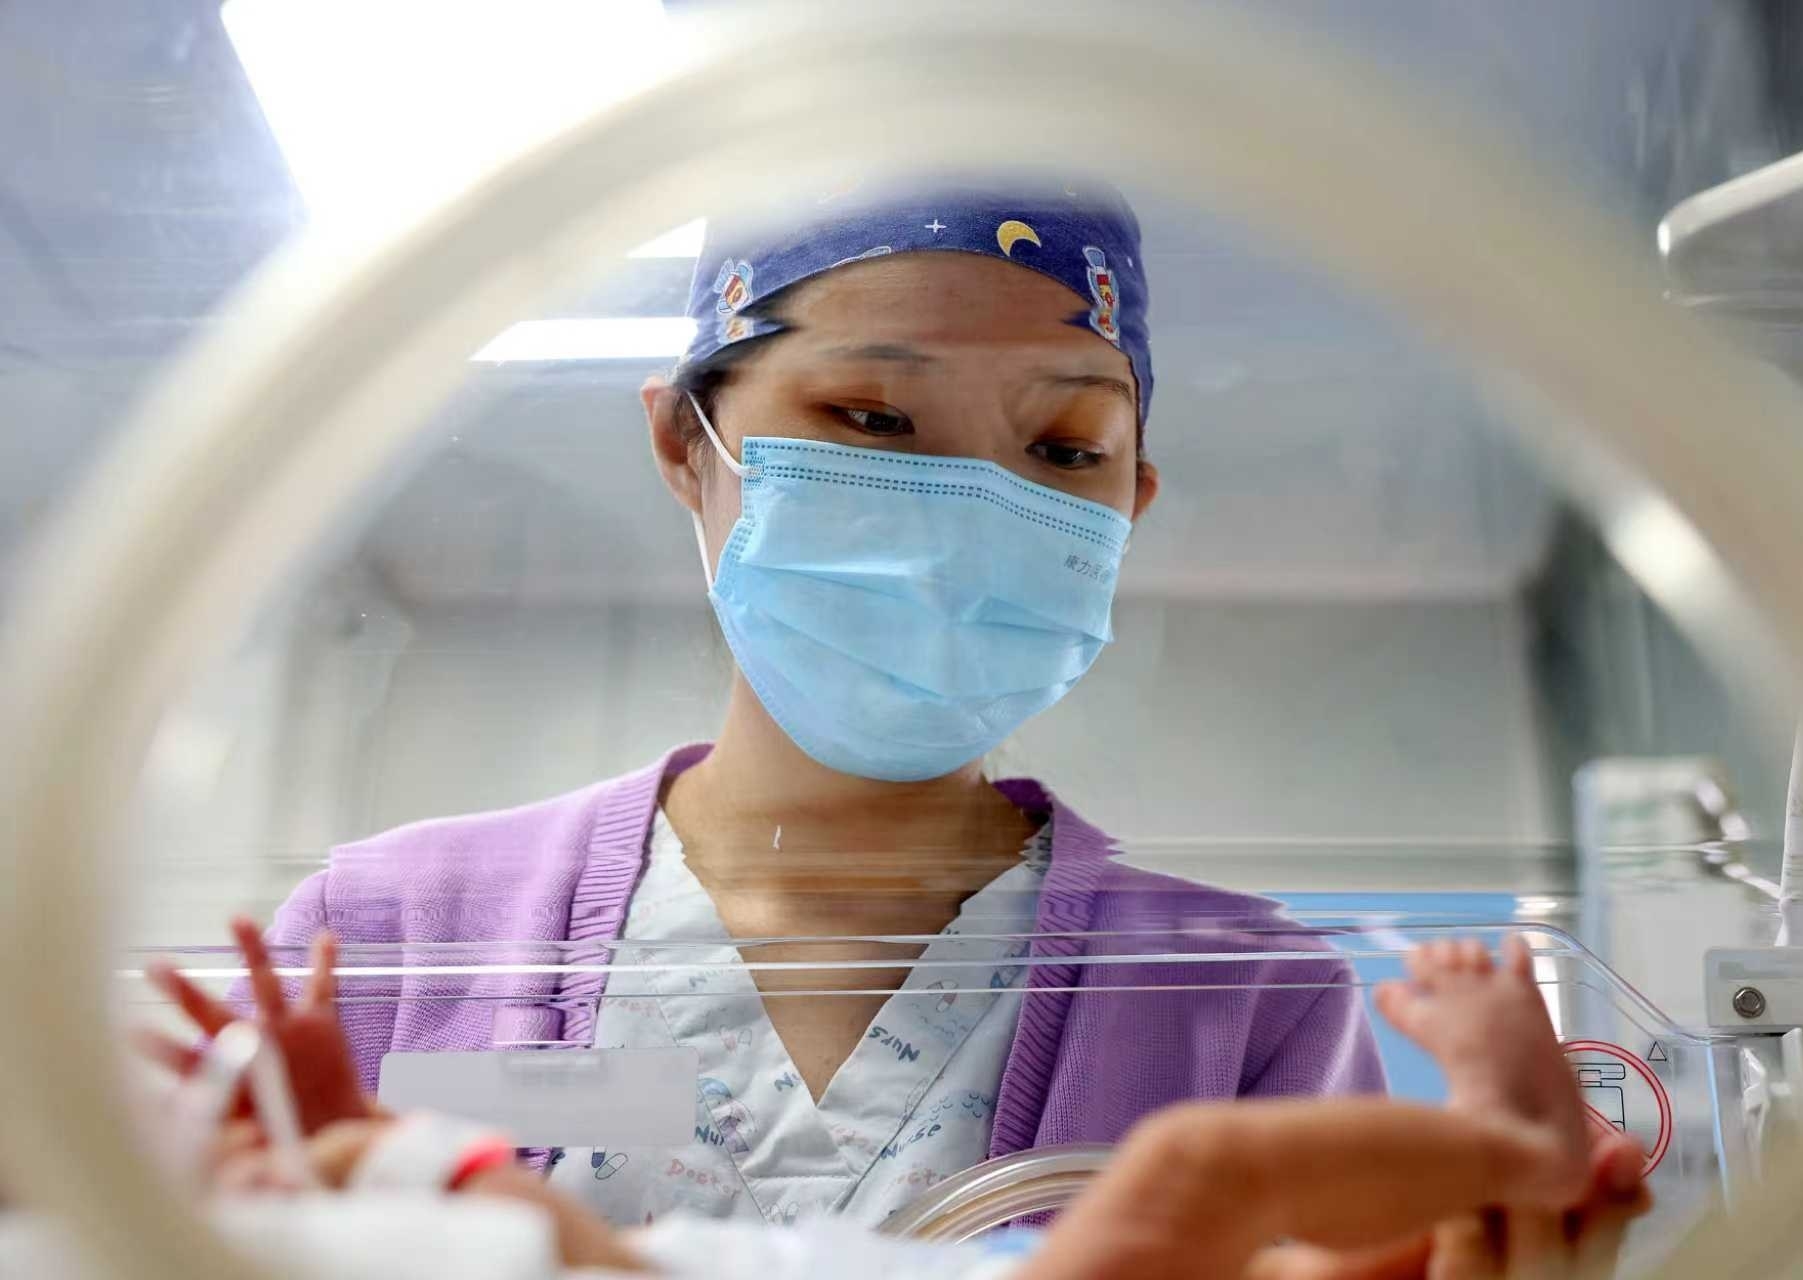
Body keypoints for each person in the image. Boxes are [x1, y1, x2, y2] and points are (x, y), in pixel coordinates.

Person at [246, 175, 1384, 1227]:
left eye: (1064, 445)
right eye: (873, 417)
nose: (968, 514)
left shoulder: (1245, 999)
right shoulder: (390, 939)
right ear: (682, 443)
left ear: (1129, 502)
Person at [158, 924, 1647, 1279]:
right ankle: (1513, 1144)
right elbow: (541, 1234)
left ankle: (1504, 1175)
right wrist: (387, 1155)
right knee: (1195, 1175)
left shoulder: (1227, 959)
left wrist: (349, 1129)